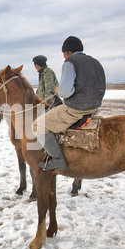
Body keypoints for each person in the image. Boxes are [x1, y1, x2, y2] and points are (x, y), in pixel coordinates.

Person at [32, 36, 106, 171]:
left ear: (66, 52)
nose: (64, 57)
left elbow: (65, 92)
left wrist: (58, 90)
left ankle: (58, 159)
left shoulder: (70, 62)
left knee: (38, 124)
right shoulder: (95, 62)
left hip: (75, 110)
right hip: (94, 107)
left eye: (64, 54)